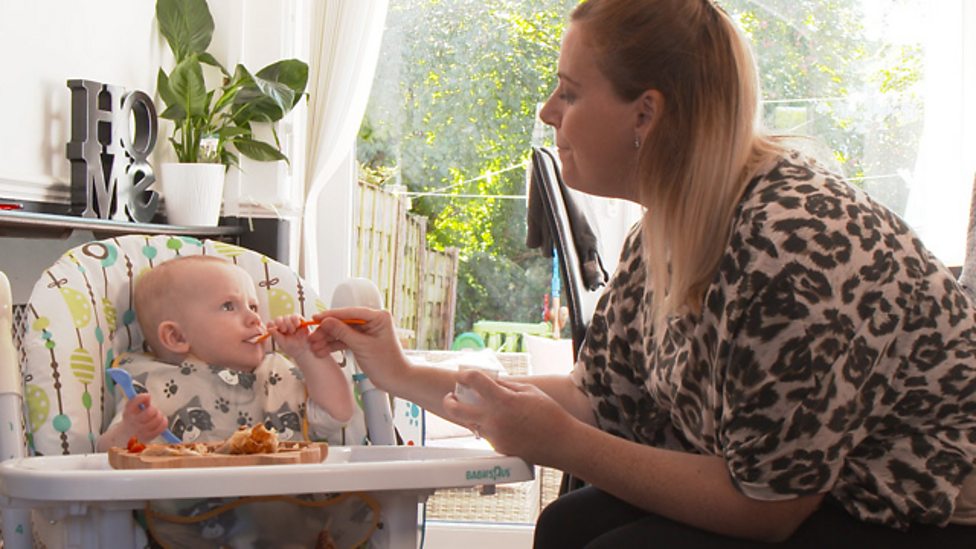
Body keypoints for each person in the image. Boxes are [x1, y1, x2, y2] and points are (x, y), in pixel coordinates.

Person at [307, 0, 976, 547]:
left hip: (926, 507)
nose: (546, 111)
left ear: (646, 115)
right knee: (567, 524)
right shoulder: (659, 233)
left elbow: (770, 506)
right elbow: (600, 397)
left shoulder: (792, 243)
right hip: (800, 490)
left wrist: (564, 444)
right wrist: (396, 371)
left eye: (568, 91)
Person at [97, 255, 373, 548]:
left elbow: (339, 413)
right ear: (176, 336)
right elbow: (104, 457)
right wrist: (131, 431)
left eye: (253, 306)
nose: (255, 317)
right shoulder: (152, 386)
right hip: (193, 532)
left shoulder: (277, 374)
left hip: (296, 532)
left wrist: (305, 353)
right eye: (229, 306)